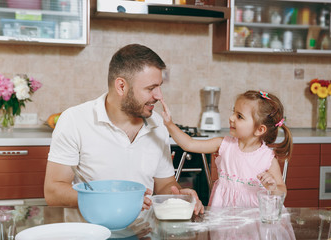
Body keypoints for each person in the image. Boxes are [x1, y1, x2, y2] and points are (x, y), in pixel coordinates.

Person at [44, 44, 203, 215]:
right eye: (151, 88)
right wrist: (111, 200)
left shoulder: (158, 125)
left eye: (159, 86)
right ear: (121, 86)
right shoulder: (75, 120)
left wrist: (178, 197)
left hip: (144, 233)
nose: (159, 96)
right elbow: (54, 192)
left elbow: (164, 184)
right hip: (91, 233)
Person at [160, 90, 293, 207]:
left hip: (253, 219)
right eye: (233, 112)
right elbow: (189, 144)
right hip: (223, 213)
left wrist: (273, 187)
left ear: (259, 129)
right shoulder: (224, 144)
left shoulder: (267, 159)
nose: (231, 118)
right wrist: (169, 124)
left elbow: (282, 190)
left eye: (239, 116)